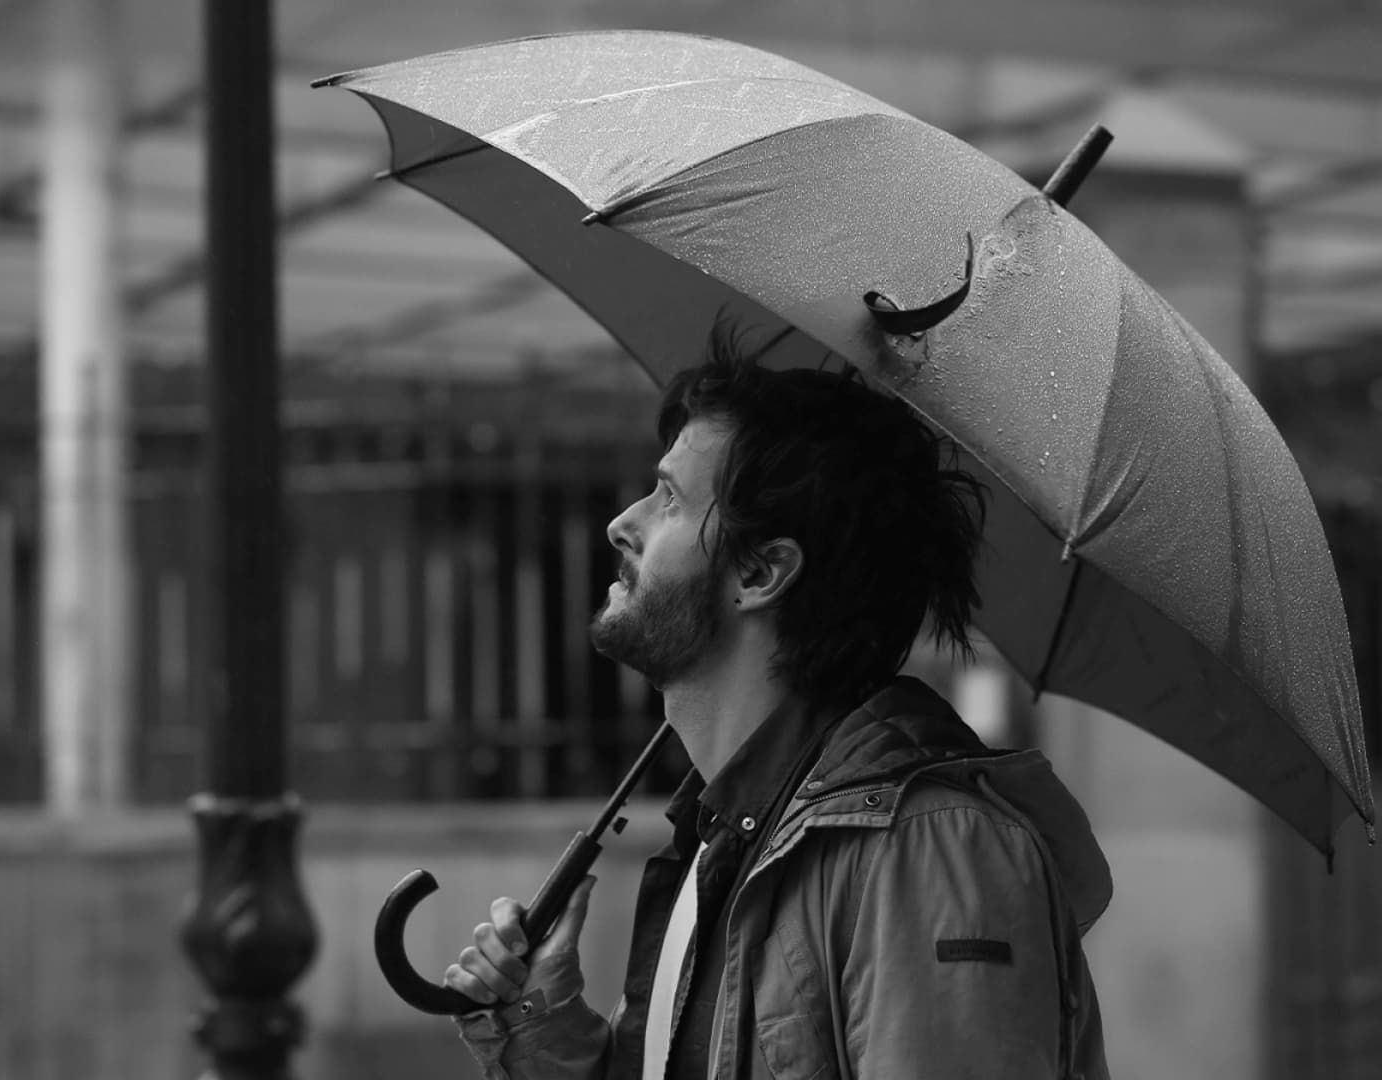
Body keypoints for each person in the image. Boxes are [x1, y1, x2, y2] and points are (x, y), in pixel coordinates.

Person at [444, 323, 1112, 1080]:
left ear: (761, 573)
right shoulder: (727, 836)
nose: (621, 523)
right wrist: (542, 1029)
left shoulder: (930, 850)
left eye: (668, 498)